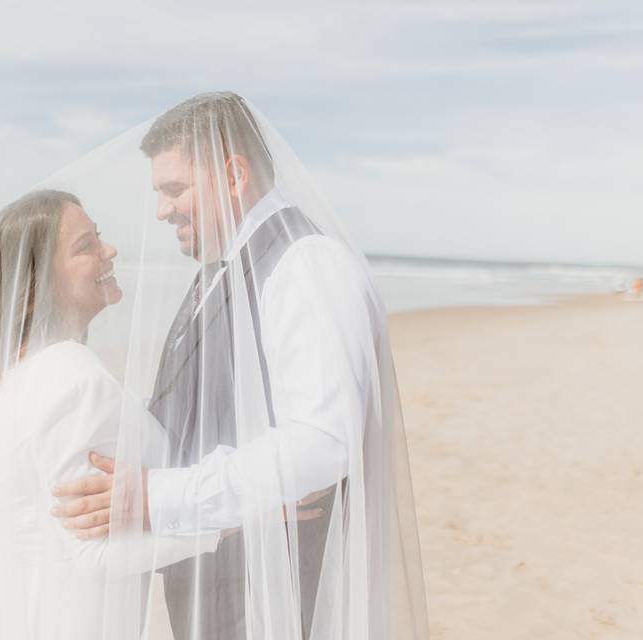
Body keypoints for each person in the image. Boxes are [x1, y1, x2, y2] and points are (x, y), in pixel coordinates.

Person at [51, 92, 429, 639]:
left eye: (174, 189)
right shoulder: (221, 271)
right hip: (222, 589)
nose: (161, 209)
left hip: (274, 603)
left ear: (233, 175)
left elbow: (324, 440)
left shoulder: (306, 265)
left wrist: (157, 497)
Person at [0, 190, 225, 639]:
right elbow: (94, 554)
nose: (109, 251)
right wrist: (233, 516)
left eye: (99, 237)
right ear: (34, 287)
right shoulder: (73, 379)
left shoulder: (11, 375)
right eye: (85, 247)